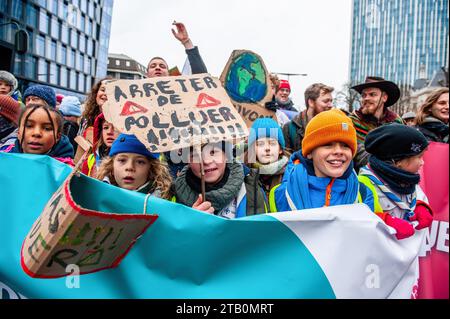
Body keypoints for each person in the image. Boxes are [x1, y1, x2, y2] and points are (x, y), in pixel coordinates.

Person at [273, 109, 374, 212]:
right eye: (328, 145)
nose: (338, 151)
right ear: (309, 153)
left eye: (345, 146)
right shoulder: (281, 195)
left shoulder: (363, 194)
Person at [358, 124, 433, 240]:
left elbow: (411, 198)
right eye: (419, 157)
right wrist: (385, 221)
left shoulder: (408, 179)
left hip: (406, 254)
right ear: (398, 161)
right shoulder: (364, 185)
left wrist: (420, 206)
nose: (422, 162)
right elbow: (358, 224)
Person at [174, 141, 268, 218]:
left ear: (226, 155)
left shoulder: (251, 188)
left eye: (213, 152)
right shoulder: (174, 196)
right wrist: (190, 224)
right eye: (195, 155)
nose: (206, 161)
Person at [349, 76, 404, 172]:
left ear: (384, 98)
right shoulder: (352, 121)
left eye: (372, 94)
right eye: (363, 95)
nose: (366, 98)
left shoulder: (397, 123)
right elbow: (355, 153)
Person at [96, 133, 173, 199]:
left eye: (140, 162)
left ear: (152, 168)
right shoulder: (96, 197)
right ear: (111, 166)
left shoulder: (165, 201)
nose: (129, 167)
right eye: (122, 160)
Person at [0, 104, 74, 166]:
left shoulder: (65, 171)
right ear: (18, 132)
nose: (37, 133)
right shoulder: (4, 158)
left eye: (47, 128)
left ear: (57, 136)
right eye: (29, 126)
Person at [245, 118, 289, 210]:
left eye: (272, 143)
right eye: (260, 144)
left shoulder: (292, 175)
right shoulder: (244, 176)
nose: (267, 148)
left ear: (280, 149)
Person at [282, 83, 334, 152]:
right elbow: (286, 158)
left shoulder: (334, 126)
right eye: (326, 101)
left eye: (331, 101)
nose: (331, 105)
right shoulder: (289, 128)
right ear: (311, 102)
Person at [81, 113, 119, 177]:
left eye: (115, 128)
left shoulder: (129, 162)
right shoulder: (90, 161)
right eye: (105, 127)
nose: (109, 132)